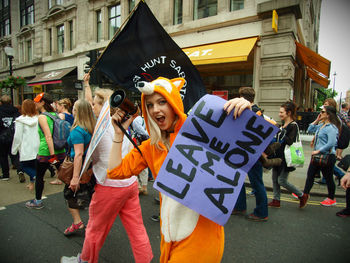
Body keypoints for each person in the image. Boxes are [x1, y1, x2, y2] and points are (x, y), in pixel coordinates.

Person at [107, 77, 251, 262]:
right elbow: (115, 171)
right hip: (169, 238)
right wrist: (118, 135)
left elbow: (248, 143)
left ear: (174, 103)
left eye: (162, 102)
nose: (155, 110)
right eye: (149, 105)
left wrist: (243, 110)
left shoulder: (201, 130)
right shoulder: (151, 147)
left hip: (201, 238)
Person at [61, 74, 152, 263]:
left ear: (103, 106)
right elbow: (90, 102)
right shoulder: (122, 125)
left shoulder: (100, 129)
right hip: (129, 184)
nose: (91, 106)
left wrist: (77, 176)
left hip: (109, 186)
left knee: (95, 229)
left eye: (95, 104)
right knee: (137, 229)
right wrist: (87, 85)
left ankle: (84, 260)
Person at [231, 87, 270, 221]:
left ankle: (261, 212)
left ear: (242, 97)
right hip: (248, 152)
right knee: (239, 180)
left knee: (256, 183)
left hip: (251, 153)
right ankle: (240, 206)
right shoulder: (257, 111)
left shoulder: (250, 112)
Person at [25, 92, 66, 209]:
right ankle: (77, 197)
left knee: (39, 176)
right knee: (66, 176)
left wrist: (52, 156)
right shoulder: (57, 115)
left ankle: (37, 201)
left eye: (37, 101)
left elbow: (48, 136)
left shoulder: (43, 117)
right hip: (60, 150)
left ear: (42, 102)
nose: (34, 103)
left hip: (46, 152)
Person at [63, 99, 96, 236]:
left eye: (74, 108)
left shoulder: (77, 131)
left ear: (76, 111)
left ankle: (78, 223)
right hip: (90, 167)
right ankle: (94, 224)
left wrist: (75, 177)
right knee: (91, 195)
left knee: (69, 194)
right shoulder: (92, 126)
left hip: (79, 168)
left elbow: (78, 154)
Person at [268, 101, 308, 208]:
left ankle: (301, 195)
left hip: (286, 158)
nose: (279, 114)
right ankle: (276, 200)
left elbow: (290, 141)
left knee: (281, 180)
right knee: (274, 179)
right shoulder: (282, 125)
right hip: (278, 156)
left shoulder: (293, 125)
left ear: (288, 113)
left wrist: (281, 132)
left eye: (282, 112)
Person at [300, 106, 340, 208]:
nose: (320, 113)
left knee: (328, 178)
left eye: (322, 112)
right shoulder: (321, 125)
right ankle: (305, 195)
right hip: (317, 156)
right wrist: (317, 119)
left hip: (327, 156)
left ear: (328, 114)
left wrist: (318, 150)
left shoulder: (331, 128)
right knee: (310, 176)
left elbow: (331, 143)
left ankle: (331, 198)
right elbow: (310, 129)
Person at [11, 99, 39, 191]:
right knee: (34, 165)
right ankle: (32, 183)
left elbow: (17, 137)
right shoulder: (38, 118)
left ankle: (36, 177)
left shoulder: (20, 121)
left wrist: (14, 149)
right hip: (37, 145)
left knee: (24, 166)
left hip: (26, 146)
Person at [50, 98, 74, 185]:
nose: (57, 108)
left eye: (58, 106)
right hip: (71, 137)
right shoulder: (71, 115)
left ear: (62, 106)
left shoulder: (61, 115)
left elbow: (56, 127)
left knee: (61, 159)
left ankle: (60, 177)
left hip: (63, 139)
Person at [0, 95, 23, 182]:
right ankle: (20, 170)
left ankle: (6, 174)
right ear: (10, 102)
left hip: (2, 136)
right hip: (14, 135)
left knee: (3, 156)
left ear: (1, 102)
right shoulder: (16, 111)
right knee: (15, 154)